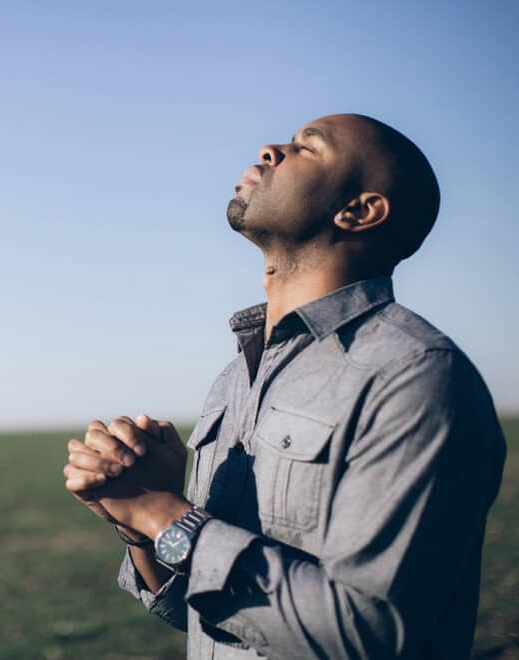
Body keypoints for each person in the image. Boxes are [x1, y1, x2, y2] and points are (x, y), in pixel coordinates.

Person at [62, 113, 507, 659]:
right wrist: (133, 514)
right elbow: (203, 613)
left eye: (306, 147)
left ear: (360, 211)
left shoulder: (415, 375)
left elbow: (374, 632)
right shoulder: (236, 379)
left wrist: (164, 514)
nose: (270, 149)